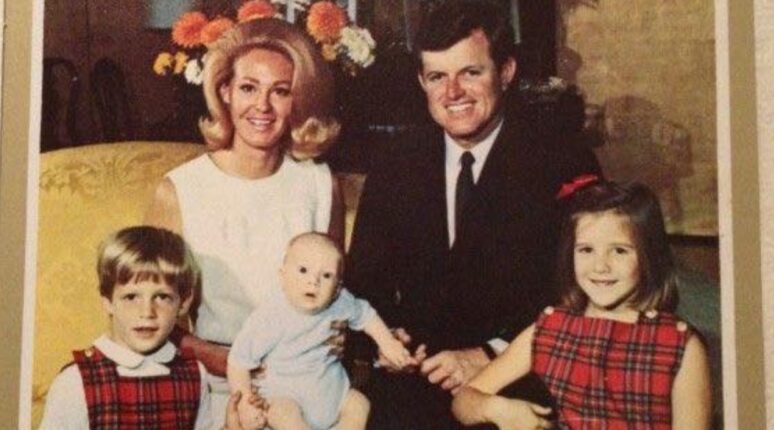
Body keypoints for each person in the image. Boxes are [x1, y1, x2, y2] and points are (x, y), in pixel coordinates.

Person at [345, 1, 600, 428]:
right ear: (421, 81)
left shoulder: (561, 160)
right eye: (437, 77)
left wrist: (490, 353)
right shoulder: (396, 163)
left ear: (506, 71)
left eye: (470, 73)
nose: (453, 93)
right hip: (417, 381)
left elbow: (584, 290)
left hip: (520, 380)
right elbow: (364, 282)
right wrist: (386, 336)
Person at [144, 17, 344, 427]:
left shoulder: (320, 185)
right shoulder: (179, 190)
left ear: (299, 100)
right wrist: (228, 361)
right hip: (215, 384)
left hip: (304, 384)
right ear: (225, 92)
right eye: (249, 88)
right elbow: (148, 315)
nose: (262, 107)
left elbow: (335, 297)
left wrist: (335, 334)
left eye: (281, 91)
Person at [452, 178, 712, 429]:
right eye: (586, 250)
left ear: (648, 256)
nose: (600, 266)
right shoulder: (551, 328)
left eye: (619, 250)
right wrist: (499, 410)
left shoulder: (679, 344)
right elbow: (464, 400)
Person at [227, 233, 415, 430]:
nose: (313, 281)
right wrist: (245, 403)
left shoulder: (340, 302)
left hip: (332, 393)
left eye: (326, 275)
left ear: (337, 287)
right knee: (282, 413)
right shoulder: (269, 316)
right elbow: (238, 362)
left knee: (359, 404)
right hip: (285, 396)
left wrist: (387, 343)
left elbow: (366, 315)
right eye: (303, 270)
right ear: (282, 276)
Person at [39, 226, 214, 429]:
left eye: (162, 297)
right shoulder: (74, 382)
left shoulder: (194, 374)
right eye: (131, 297)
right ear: (108, 301)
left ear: (183, 303)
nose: (147, 312)